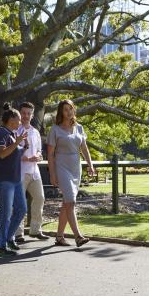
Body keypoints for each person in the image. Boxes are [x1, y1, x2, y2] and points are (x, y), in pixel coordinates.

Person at [47, 99, 95, 247]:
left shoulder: (79, 128)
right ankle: (78, 236)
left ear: (74, 110)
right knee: (71, 201)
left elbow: (84, 148)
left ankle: (59, 236)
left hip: (76, 166)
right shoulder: (55, 129)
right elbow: (50, 154)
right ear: (61, 112)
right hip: (62, 166)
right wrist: (53, 174)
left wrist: (90, 165)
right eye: (65, 109)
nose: (68, 112)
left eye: (71, 109)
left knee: (66, 203)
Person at [0, 104, 28, 257]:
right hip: (2, 180)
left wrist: (24, 147)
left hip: (15, 180)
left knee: (21, 209)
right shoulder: (1, 133)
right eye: (18, 120)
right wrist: (17, 143)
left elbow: (14, 155)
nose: (20, 122)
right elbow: (2, 154)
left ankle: (8, 238)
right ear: (11, 119)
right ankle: (0, 246)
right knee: (5, 212)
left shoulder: (12, 134)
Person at [14, 102, 49, 242]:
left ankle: (35, 230)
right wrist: (28, 158)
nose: (26, 116)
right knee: (19, 202)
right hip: (20, 172)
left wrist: (39, 155)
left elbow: (39, 150)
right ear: (19, 113)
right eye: (23, 113)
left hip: (35, 172)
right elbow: (13, 153)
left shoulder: (35, 132)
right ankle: (18, 232)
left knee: (40, 198)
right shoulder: (15, 131)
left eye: (29, 113)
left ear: (32, 115)